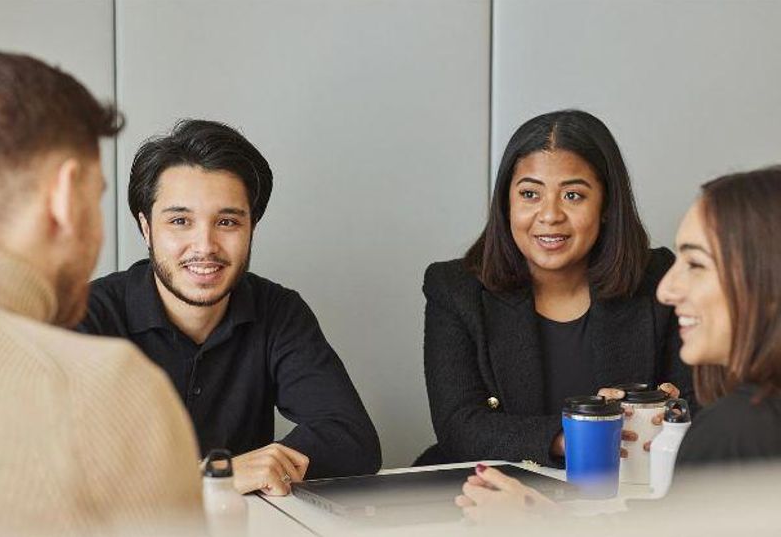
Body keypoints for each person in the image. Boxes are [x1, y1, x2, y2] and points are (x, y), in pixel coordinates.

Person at [76, 119, 382, 495]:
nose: (205, 246)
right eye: (180, 221)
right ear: (146, 228)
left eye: (227, 222)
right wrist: (214, 477)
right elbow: (53, 467)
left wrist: (264, 467)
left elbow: (352, 439)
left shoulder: (278, 310)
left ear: (252, 228)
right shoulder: (86, 315)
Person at [456, 166, 781, 520]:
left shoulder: (740, 430)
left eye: (696, 264)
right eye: (530, 194)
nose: (666, 290)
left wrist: (537, 521)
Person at [0, 48, 203, 535]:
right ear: (64, 197)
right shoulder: (106, 392)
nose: (204, 245)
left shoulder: (279, 306)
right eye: (96, 196)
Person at [417, 109, 692, 467]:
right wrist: (577, 437)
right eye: (530, 194)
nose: (549, 215)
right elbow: (459, 427)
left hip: (625, 490)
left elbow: (701, 404)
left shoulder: (659, 280)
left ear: (607, 204)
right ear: (506, 203)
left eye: (573, 196)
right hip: (490, 489)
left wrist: (673, 415)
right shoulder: (455, 289)